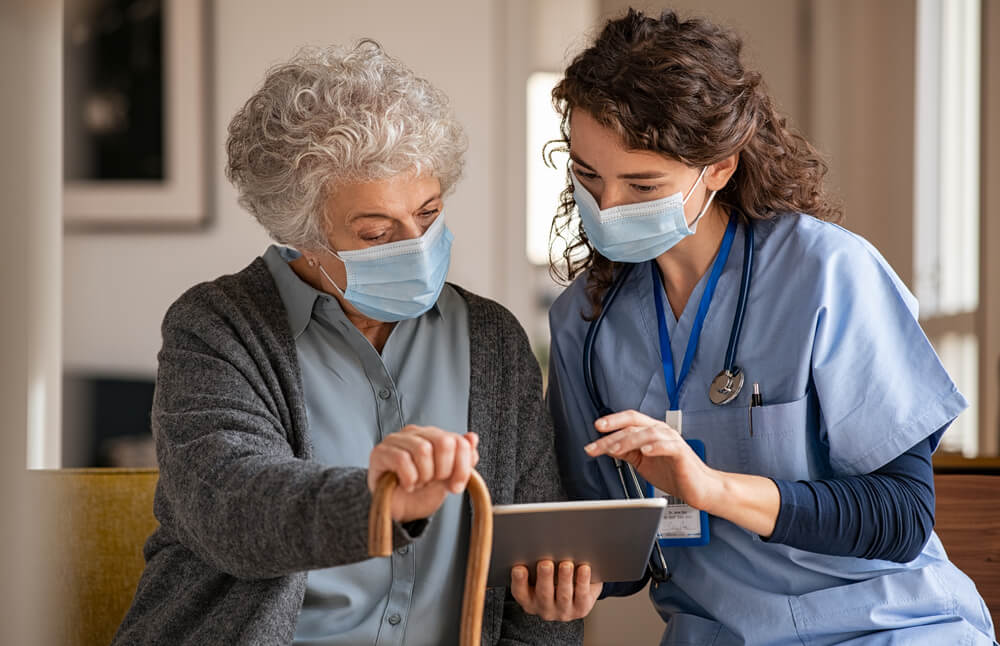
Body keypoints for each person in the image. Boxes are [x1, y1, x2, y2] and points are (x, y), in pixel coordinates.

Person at [112, 41, 598, 646]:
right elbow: (229, 507)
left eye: (428, 214)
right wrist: (377, 501)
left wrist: (556, 603)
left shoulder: (492, 338)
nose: (416, 246)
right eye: (376, 232)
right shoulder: (217, 327)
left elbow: (530, 557)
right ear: (302, 237)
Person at [545, 9, 997, 646]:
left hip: (888, 628)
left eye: (643, 184)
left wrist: (711, 488)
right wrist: (571, 576)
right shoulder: (584, 323)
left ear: (720, 169)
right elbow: (619, 550)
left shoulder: (827, 273)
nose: (608, 206)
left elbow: (901, 515)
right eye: (588, 176)